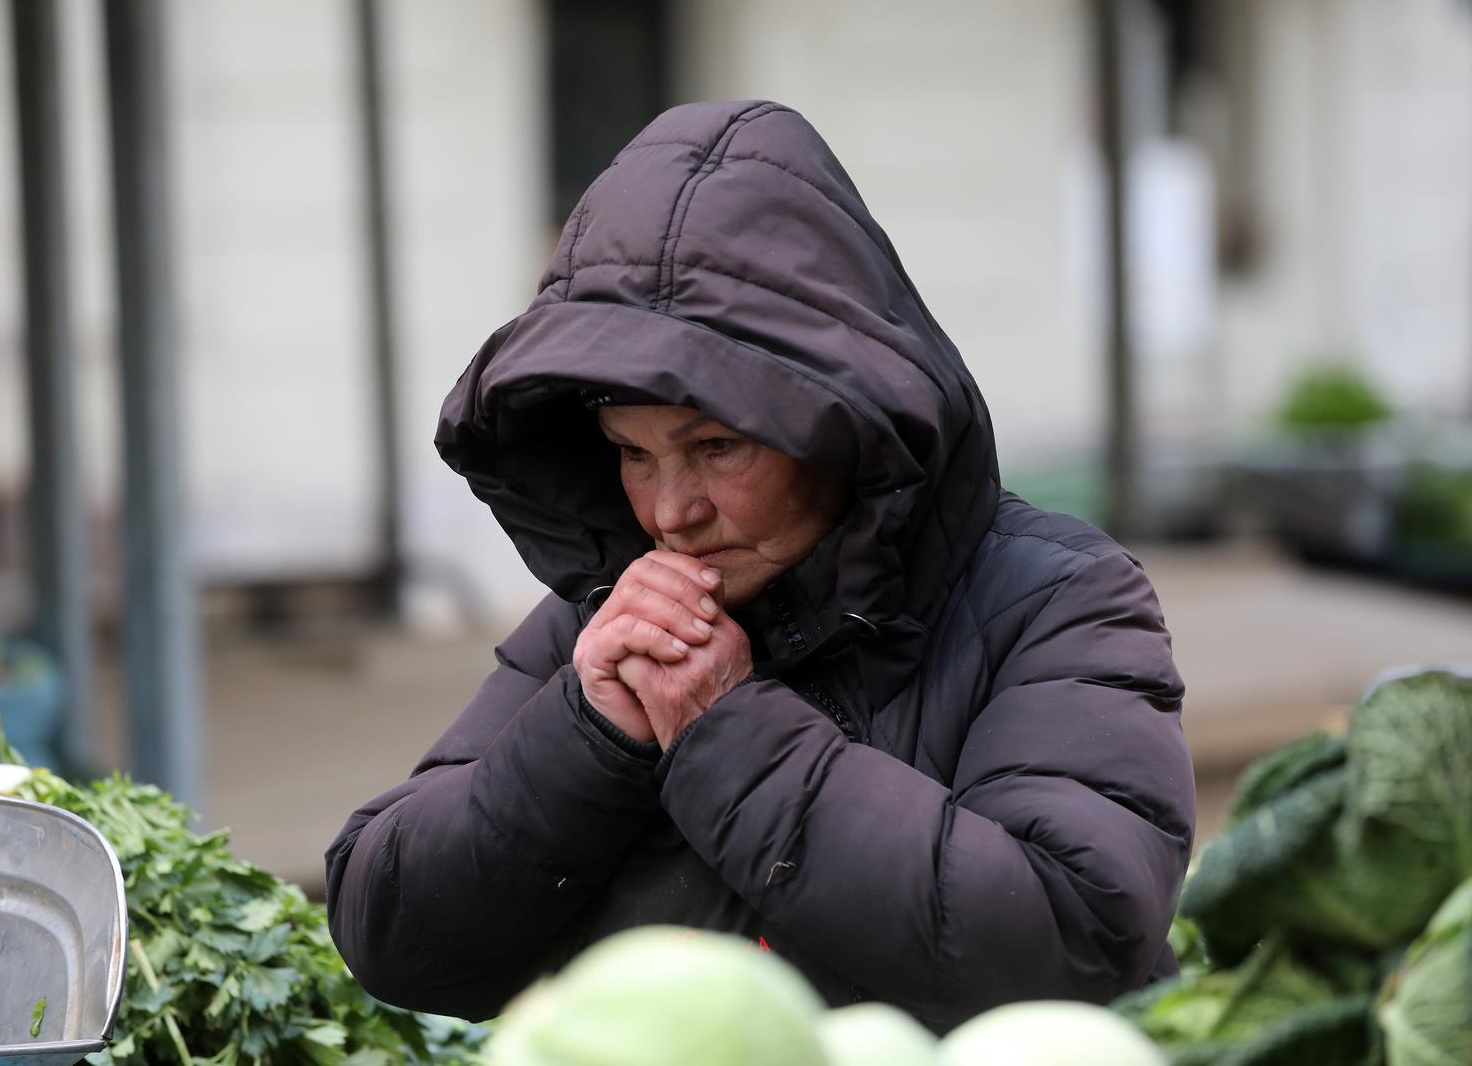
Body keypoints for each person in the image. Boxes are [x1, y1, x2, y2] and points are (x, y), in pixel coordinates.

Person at [325, 99, 1194, 1033]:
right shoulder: (605, 617)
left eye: (716, 447)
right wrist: (588, 733)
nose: (670, 510)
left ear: (838, 425)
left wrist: (729, 732)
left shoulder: (1058, 598)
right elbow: (389, 928)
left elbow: (1076, 935)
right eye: (633, 452)